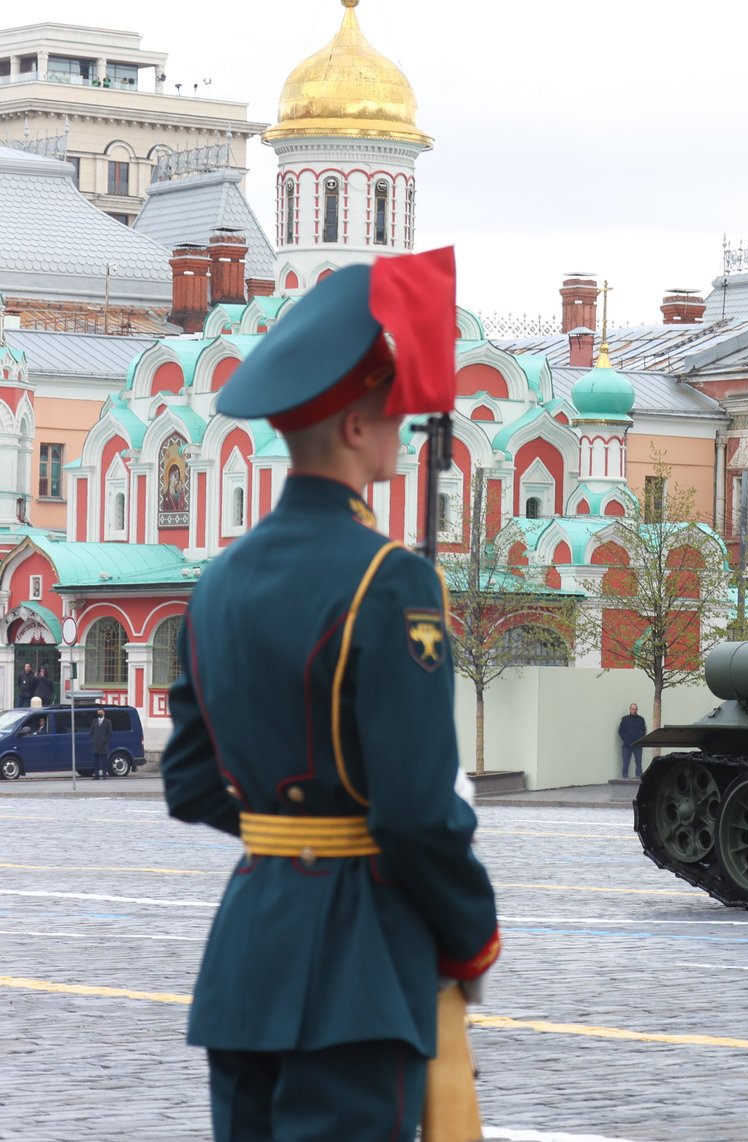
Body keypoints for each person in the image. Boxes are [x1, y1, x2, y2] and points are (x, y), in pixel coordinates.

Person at [161, 251, 499, 1141]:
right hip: (355, 962)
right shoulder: (392, 579)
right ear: (355, 426)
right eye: (389, 410)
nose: (400, 426)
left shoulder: (217, 582)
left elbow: (190, 784)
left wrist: (288, 836)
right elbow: (416, 813)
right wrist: (471, 934)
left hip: (245, 955)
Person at [618, 703, 647, 780]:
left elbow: (644, 731)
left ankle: (638, 778)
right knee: (626, 763)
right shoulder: (625, 719)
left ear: (637, 710)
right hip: (627, 745)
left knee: (638, 763)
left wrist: (640, 739)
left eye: (635, 709)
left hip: (638, 745)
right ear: (630, 709)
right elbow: (620, 731)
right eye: (633, 709)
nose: (634, 710)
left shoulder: (641, 719)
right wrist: (626, 738)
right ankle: (624, 778)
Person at [90, 711, 112, 781]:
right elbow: (91, 731)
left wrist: (104, 740)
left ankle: (104, 775)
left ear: (104, 713)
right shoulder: (94, 721)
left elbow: (110, 733)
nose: (100, 713)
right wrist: (93, 739)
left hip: (103, 745)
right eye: (98, 712)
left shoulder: (108, 722)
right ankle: (96, 775)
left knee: (103, 761)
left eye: (101, 712)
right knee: (96, 761)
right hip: (96, 744)